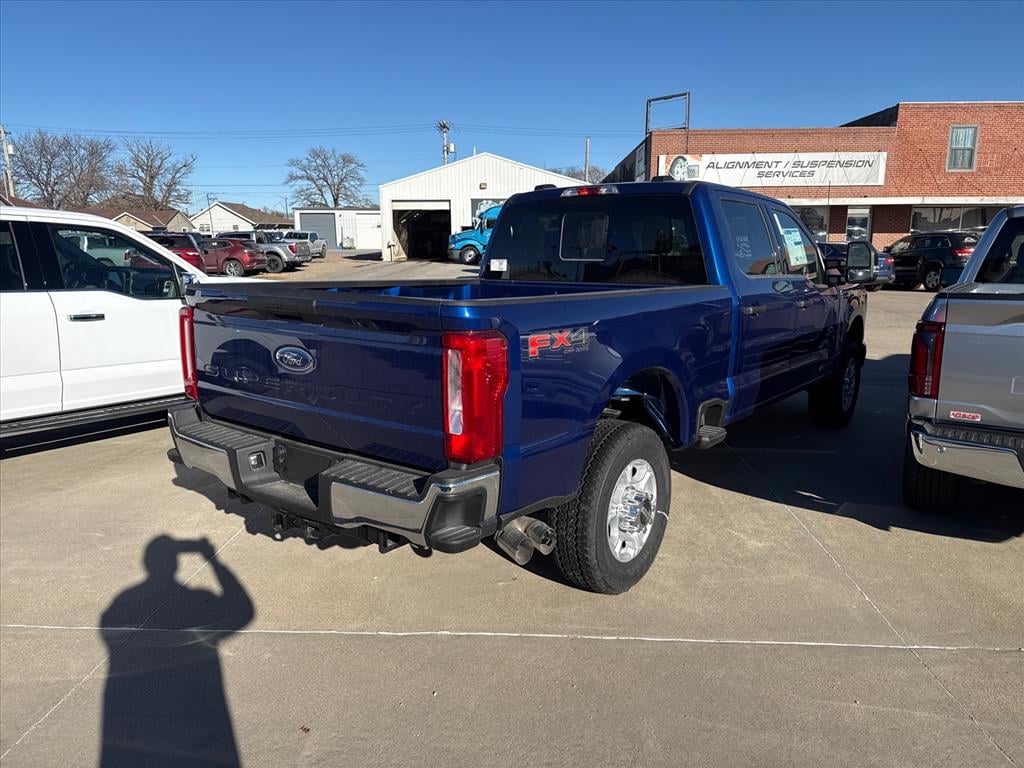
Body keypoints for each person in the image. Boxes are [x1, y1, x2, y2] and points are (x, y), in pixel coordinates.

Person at [99, 536, 254, 768]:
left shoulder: (122, 604)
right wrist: (213, 561)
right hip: (196, 718)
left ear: (147, 563)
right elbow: (243, 610)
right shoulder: (197, 602)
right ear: (175, 564)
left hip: (137, 721)